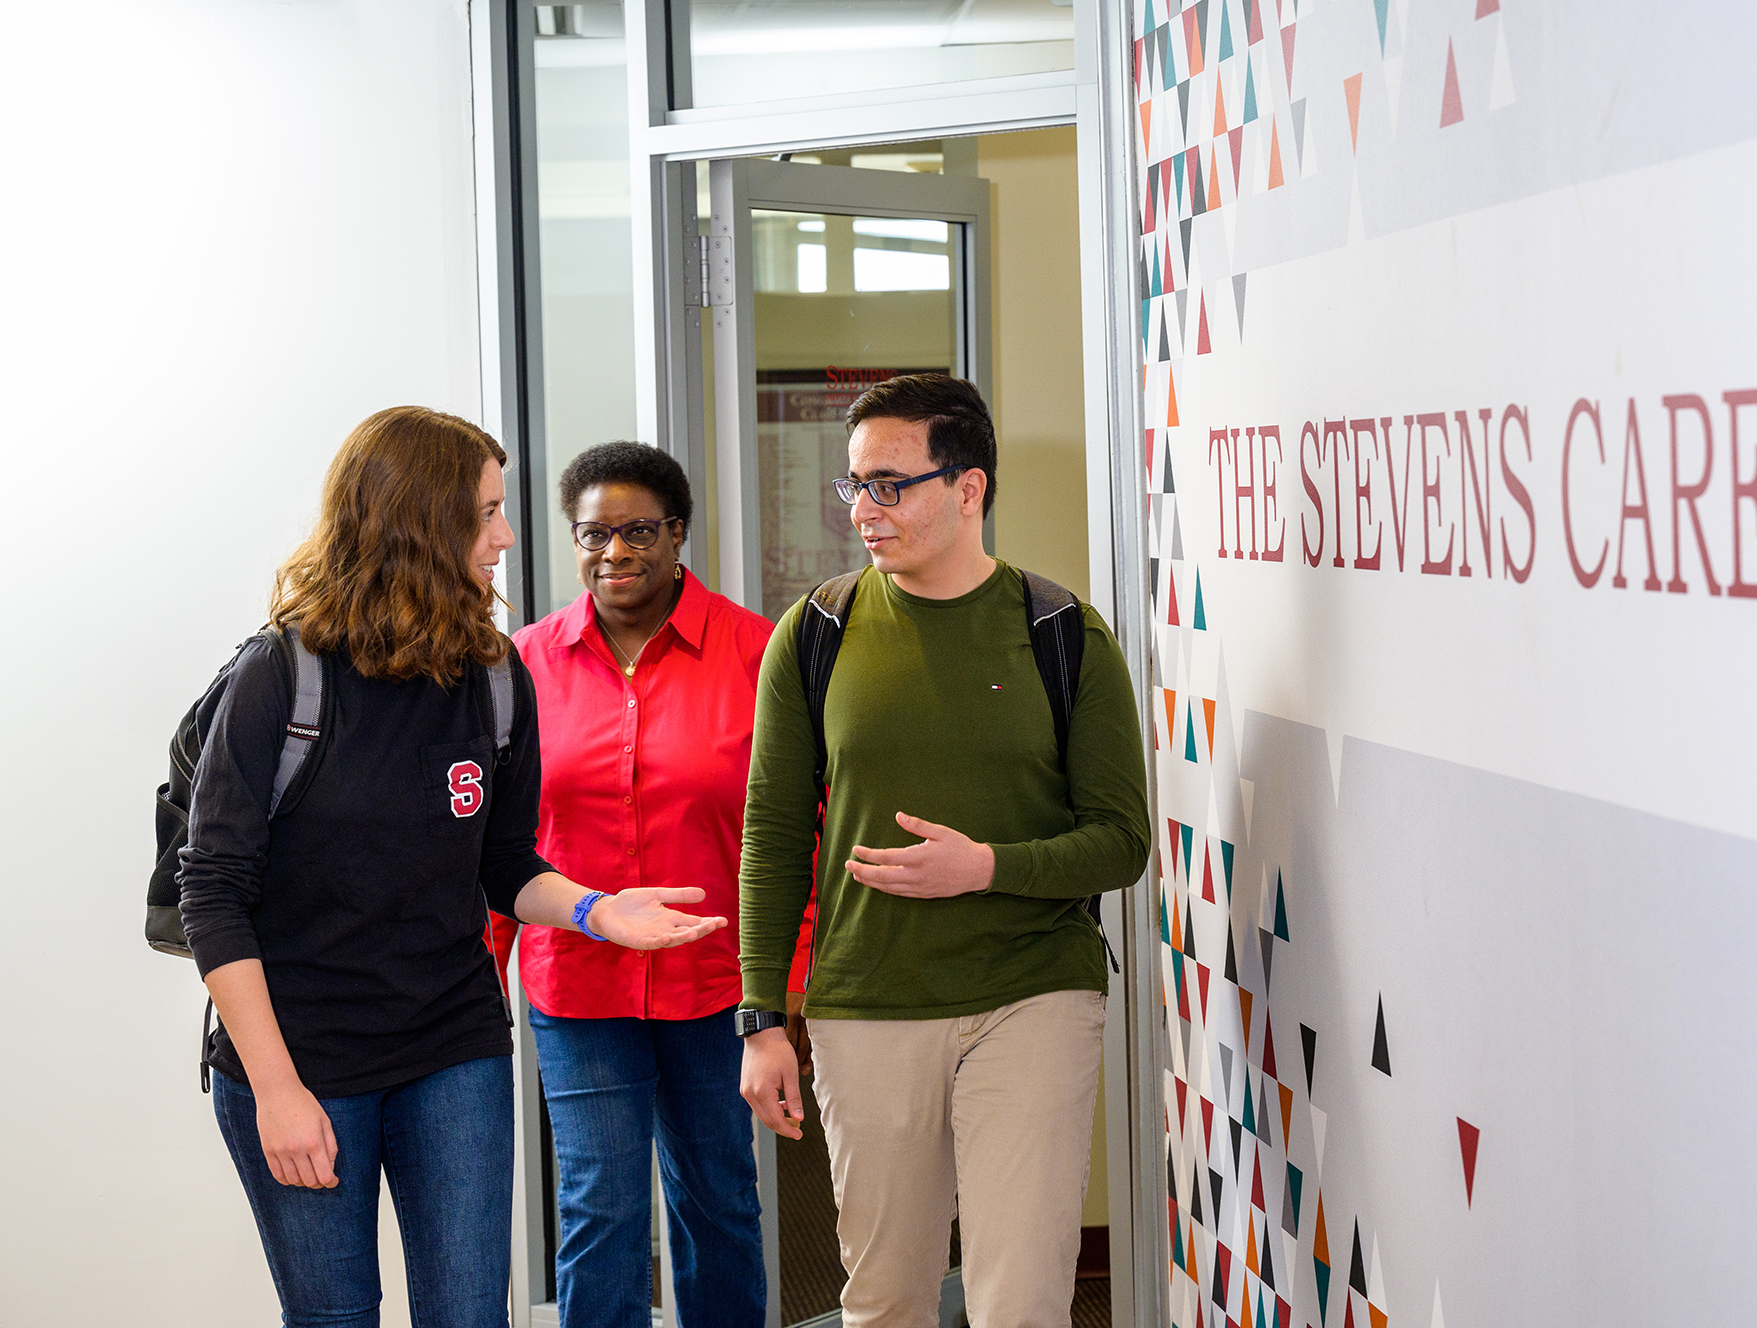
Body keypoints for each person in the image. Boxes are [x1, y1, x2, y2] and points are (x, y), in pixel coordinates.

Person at [178, 407, 724, 1328]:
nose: (506, 535)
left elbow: (505, 863)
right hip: (301, 1058)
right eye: (486, 513)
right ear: (415, 520)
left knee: (472, 1315)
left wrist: (597, 911)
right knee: (336, 1315)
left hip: (452, 1049)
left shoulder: (494, 674)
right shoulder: (283, 675)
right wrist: (276, 1091)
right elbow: (213, 891)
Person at [736, 374, 1151, 1327]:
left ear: (969, 488)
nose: (864, 512)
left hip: (1034, 991)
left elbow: (1122, 842)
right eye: (853, 487)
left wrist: (988, 867)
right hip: (867, 1003)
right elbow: (772, 828)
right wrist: (760, 1012)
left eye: (890, 484)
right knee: (885, 1300)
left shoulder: (1061, 632)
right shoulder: (815, 633)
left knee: (1022, 1298)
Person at [499, 442, 806, 1328]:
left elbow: (803, 832)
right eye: (593, 534)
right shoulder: (523, 664)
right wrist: (485, 970)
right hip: (578, 983)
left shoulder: (758, 653)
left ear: (678, 533)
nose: (615, 553)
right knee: (601, 1210)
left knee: (718, 1200)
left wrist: (786, 989)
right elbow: (498, 842)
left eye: (638, 530)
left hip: (719, 990)